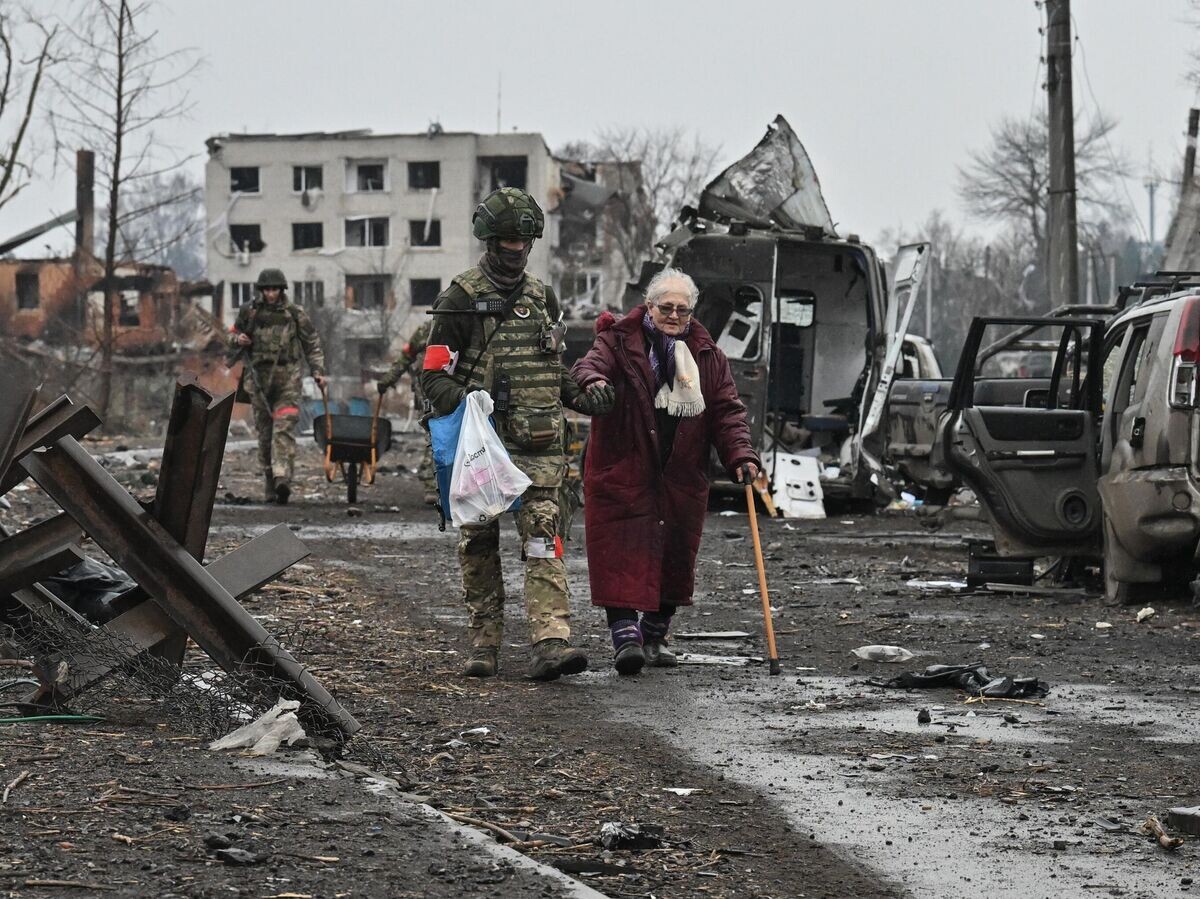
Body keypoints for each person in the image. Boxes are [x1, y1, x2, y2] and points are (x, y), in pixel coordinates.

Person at [421, 187, 613, 681]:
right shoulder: (459, 298)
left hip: (539, 448)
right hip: (481, 449)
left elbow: (553, 369)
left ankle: (551, 641)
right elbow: (433, 376)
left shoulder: (541, 297)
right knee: (479, 544)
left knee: (543, 541)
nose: (514, 253)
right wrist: (465, 404)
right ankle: (484, 643)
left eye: (522, 244)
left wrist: (586, 397)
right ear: (489, 241)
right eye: (505, 242)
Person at [572, 268, 761, 675]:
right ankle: (625, 638)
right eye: (666, 307)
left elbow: (727, 412)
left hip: (680, 470)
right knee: (618, 548)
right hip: (624, 463)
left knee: (675, 551)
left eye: (683, 309)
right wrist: (592, 383)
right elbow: (588, 366)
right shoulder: (618, 341)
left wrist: (741, 455)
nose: (673, 315)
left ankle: (655, 634)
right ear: (650, 306)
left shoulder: (708, 356)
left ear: (692, 312)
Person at [228, 268, 327, 505]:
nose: (271, 294)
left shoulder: (294, 314)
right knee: (264, 434)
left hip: (288, 378)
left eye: (274, 289)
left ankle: (283, 476)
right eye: (267, 289)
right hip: (258, 379)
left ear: (281, 290)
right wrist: (238, 339)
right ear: (261, 290)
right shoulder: (249, 312)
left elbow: (311, 342)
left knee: (283, 428)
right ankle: (269, 481)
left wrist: (318, 371)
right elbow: (230, 335)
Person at [377, 320, 438, 505]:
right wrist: (388, 380)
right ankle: (431, 481)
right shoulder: (427, 330)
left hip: (455, 389)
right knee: (434, 432)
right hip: (428, 389)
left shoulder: (462, 326)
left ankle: (440, 481)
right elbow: (406, 356)